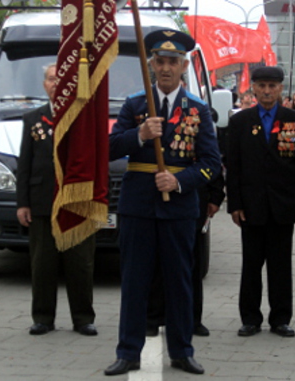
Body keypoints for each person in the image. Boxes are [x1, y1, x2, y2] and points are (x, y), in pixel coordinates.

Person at [104, 29, 221, 376]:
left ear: (184, 66)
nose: (166, 68)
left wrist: (180, 180)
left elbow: (212, 164)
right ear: (151, 64)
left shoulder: (198, 110)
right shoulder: (136, 105)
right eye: (160, 61)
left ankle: (182, 350)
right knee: (135, 281)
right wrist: (139, 135)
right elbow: (110, 149)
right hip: (138, 205)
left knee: (179, 281)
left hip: (178, 209)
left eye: (173, 62)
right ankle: (128, 352)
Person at [226, 66, 295, 338]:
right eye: (261, 85)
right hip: (251, 206)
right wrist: (235, 204)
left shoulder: (294, 120)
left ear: (280, 89)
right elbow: (233, 165)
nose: (266, 91)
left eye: (272, 86)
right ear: (253, 88)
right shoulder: (240, 121)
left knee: (280, 265)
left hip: (283, 205)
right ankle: (250, 318)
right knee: (251, 264)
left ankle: (280, 319)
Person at [16, 64, 97, 336]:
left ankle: (83, 318)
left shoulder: (83, 117)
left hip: (77, 203)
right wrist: (22, 203)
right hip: (41, 202)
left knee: (81, 263)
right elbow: (24, 164)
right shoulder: (32, 119)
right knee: (42, 263)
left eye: (61, 80)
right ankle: (42, 318)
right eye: (51, 79)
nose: (56, 84)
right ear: (44, 85)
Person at [146, 174, 226, 337]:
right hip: (157, 203)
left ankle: (192, 320)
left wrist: (215, 198)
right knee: (157, 265)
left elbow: (211, 164)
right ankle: (153, 318)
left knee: (192, 267)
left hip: (193, 203)